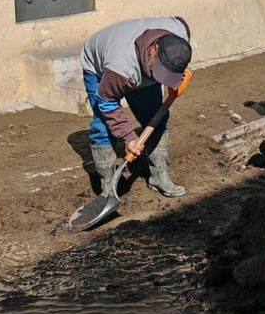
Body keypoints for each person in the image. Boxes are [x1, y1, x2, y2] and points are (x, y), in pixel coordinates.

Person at [79, 17, 193, 199]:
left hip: (137, 66)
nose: (162, 78)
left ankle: (159, 177)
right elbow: (106, 101)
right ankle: (108, 190)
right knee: (103, 127)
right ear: (154, 49)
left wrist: (177, 76)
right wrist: (129, 138)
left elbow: (182, 24)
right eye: (161, 71)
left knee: (156, 117)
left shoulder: (179, 37)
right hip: (100, 67)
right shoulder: (122, 66)